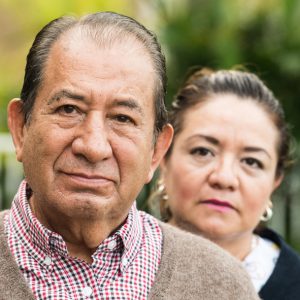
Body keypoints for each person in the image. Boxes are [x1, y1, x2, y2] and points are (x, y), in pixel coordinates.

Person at [0, 12, 259, 300]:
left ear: (156, 150)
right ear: (21, 127)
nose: (93, 146)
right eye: (69, 109)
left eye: (122, 118)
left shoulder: (221, 284)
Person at [151, 67, 300, 300]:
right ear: (162, 158)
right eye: (203, 151)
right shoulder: (113, 268)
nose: (224, 178)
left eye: (252, 161)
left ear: (275, 182)